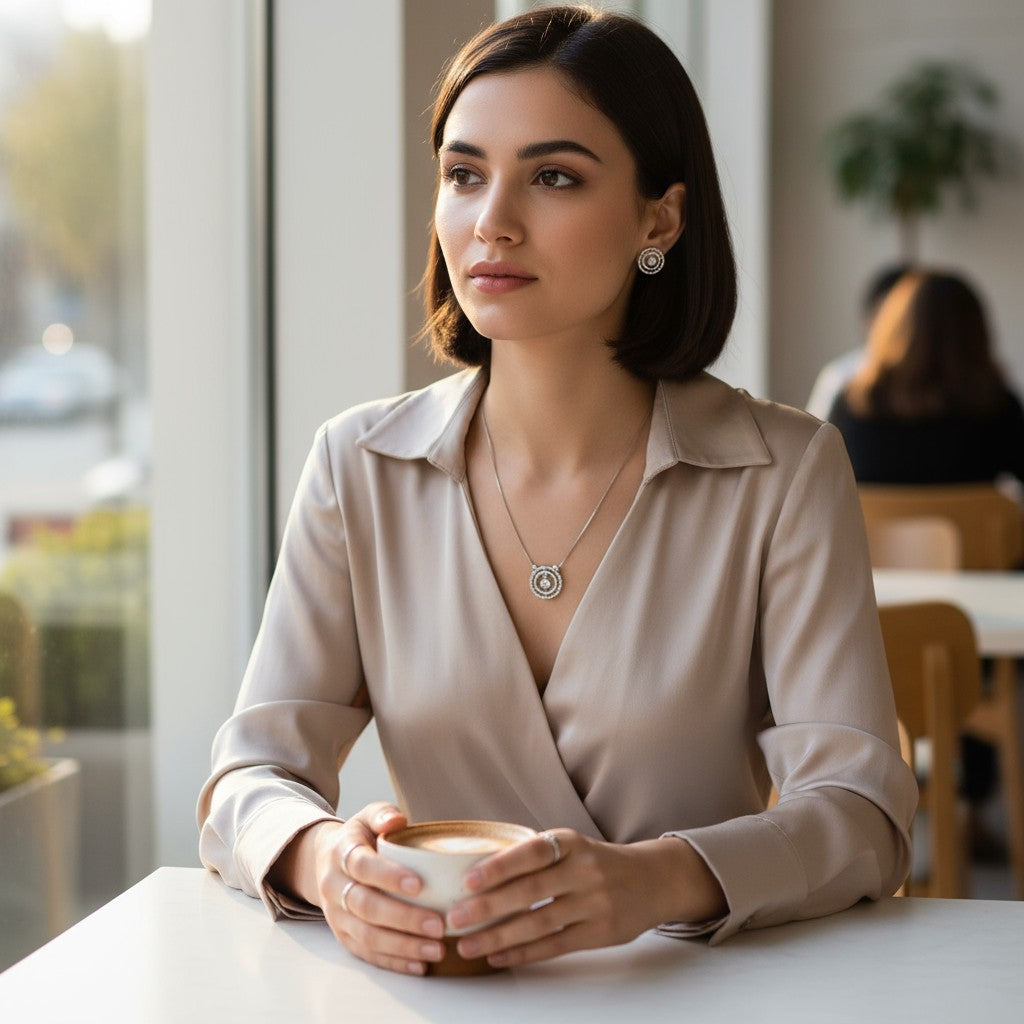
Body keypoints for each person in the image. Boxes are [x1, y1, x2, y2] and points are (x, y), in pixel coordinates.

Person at [198, 6, 916, 977]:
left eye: (553, 177)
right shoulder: (358, 465)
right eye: (463, 173)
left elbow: (864, 813)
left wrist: (651, 881)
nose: (490, 219)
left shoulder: (782, 471)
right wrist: (330, 866)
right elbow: (251, 771)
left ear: (659, 217)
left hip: (698, 995)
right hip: (442, 994)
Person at [827, 270, 1024, 486]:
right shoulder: (999, 410)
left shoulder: (853, 406)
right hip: (970, 521)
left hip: (876, 521)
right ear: (977, 333)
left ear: (893, 328)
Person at [805, 262, 913, 420]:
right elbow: (816, 437)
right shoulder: (841, 377)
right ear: (868, 319)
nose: (898, 329)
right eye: (890, 319)